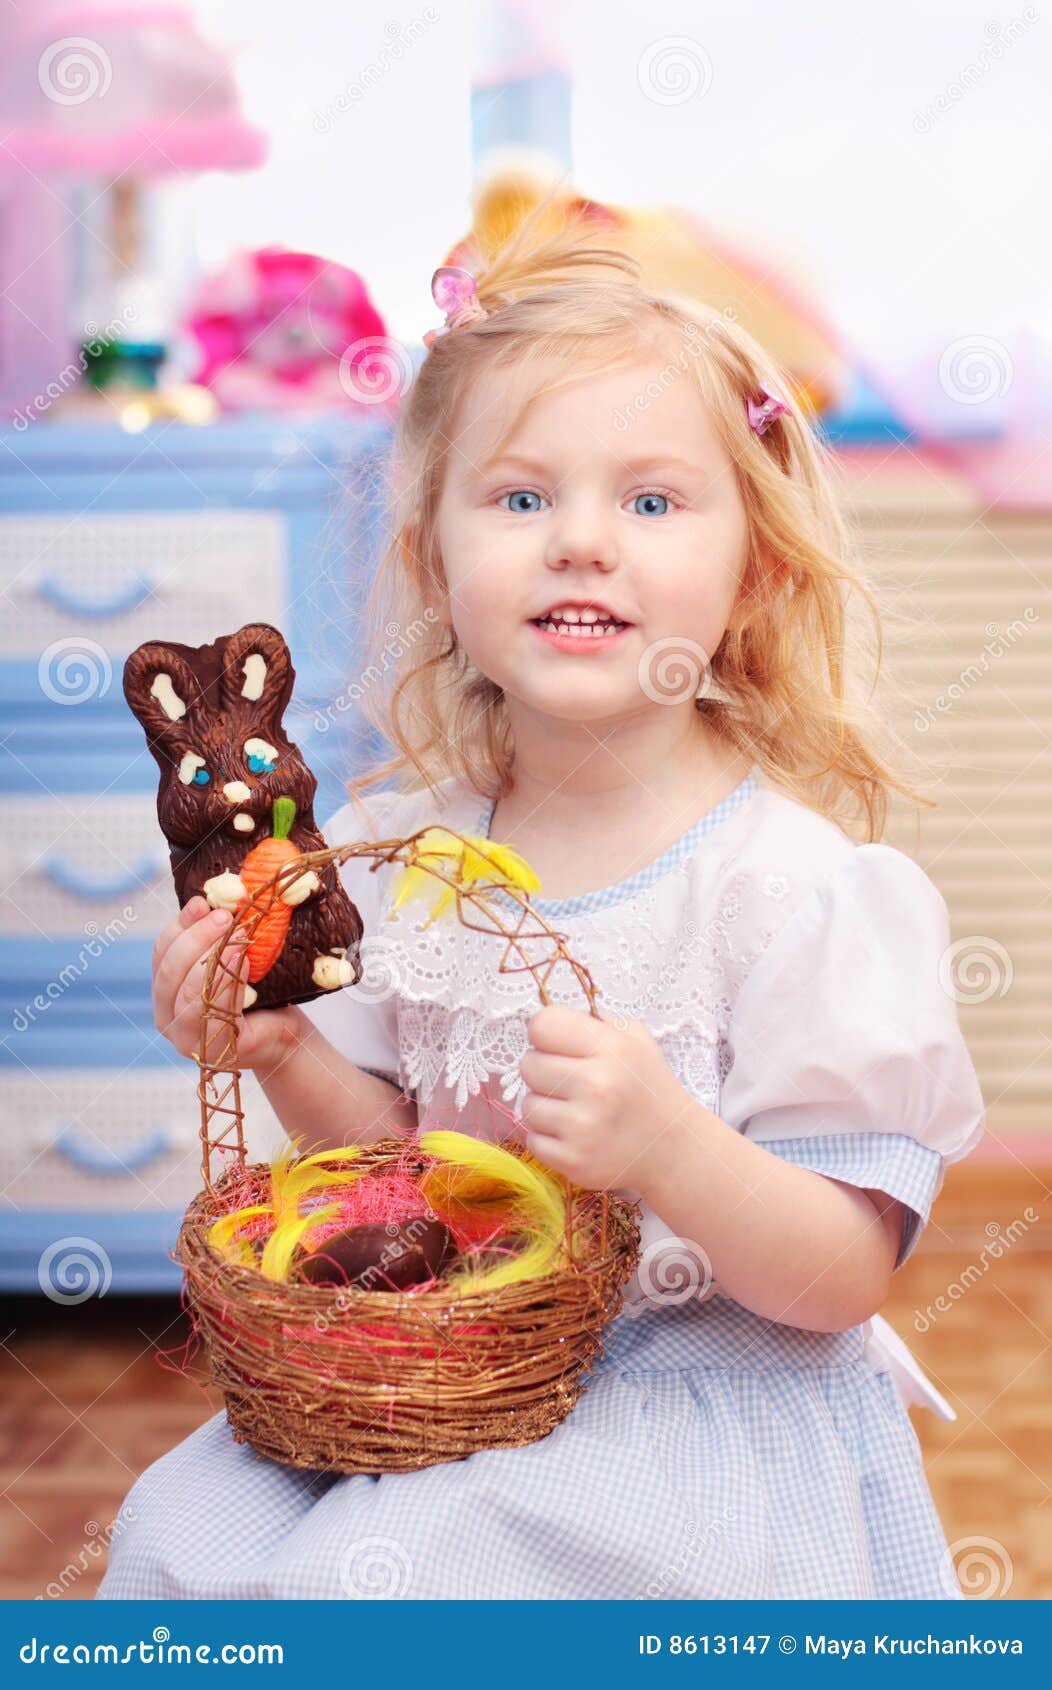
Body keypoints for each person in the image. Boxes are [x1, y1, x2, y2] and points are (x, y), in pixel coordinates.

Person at [97, 212, 984, 1601]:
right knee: (173, 1530)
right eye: (520, 499)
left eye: (650, 501)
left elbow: (842, 1276)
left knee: (396, 1586)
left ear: (752, 569)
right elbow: (400, 1163)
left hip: (688, 1419)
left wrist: (668, 1146)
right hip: (451, 1388)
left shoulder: (797, 894)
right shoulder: (411, 855)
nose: (581, 542)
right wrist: (285, 1052)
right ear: (434, 564)